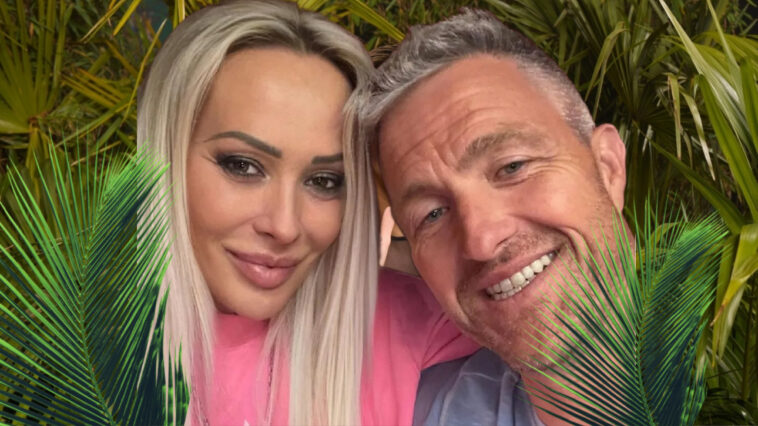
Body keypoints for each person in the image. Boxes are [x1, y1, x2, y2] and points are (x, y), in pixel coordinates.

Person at [137, 1, 476, 425]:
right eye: (243, 166)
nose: (284, 226)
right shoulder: (75, 352)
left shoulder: (416, 323)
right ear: (164, 157)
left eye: (325, 181)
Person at [360, 8, 628, 426]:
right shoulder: (411, 411)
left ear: (608, 166)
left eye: (512, 167)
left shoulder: (730, 351)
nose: (480, 241)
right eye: (432, 214)